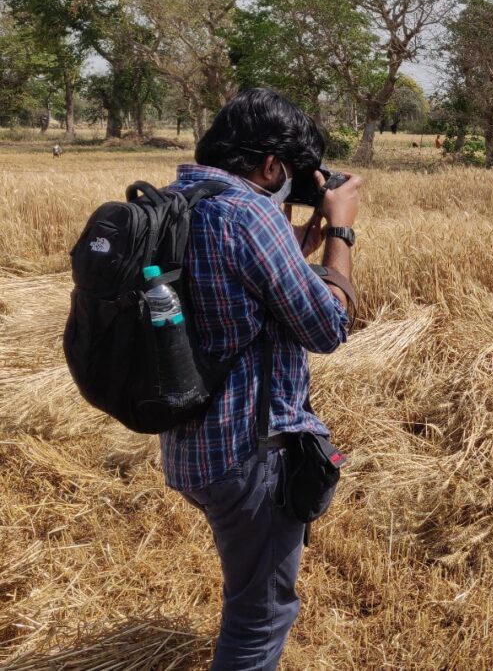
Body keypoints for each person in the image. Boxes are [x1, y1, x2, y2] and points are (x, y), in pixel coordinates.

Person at [163, 88, 360, 670]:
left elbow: (232, 283)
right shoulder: (248, 213)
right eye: (293, 175)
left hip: (190, 447)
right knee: (259, 620)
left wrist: (295, 243)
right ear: (272, 166)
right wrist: (342, 234)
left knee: (247, 591)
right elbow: (327, 327)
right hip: (249, 455)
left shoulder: (180, 199)